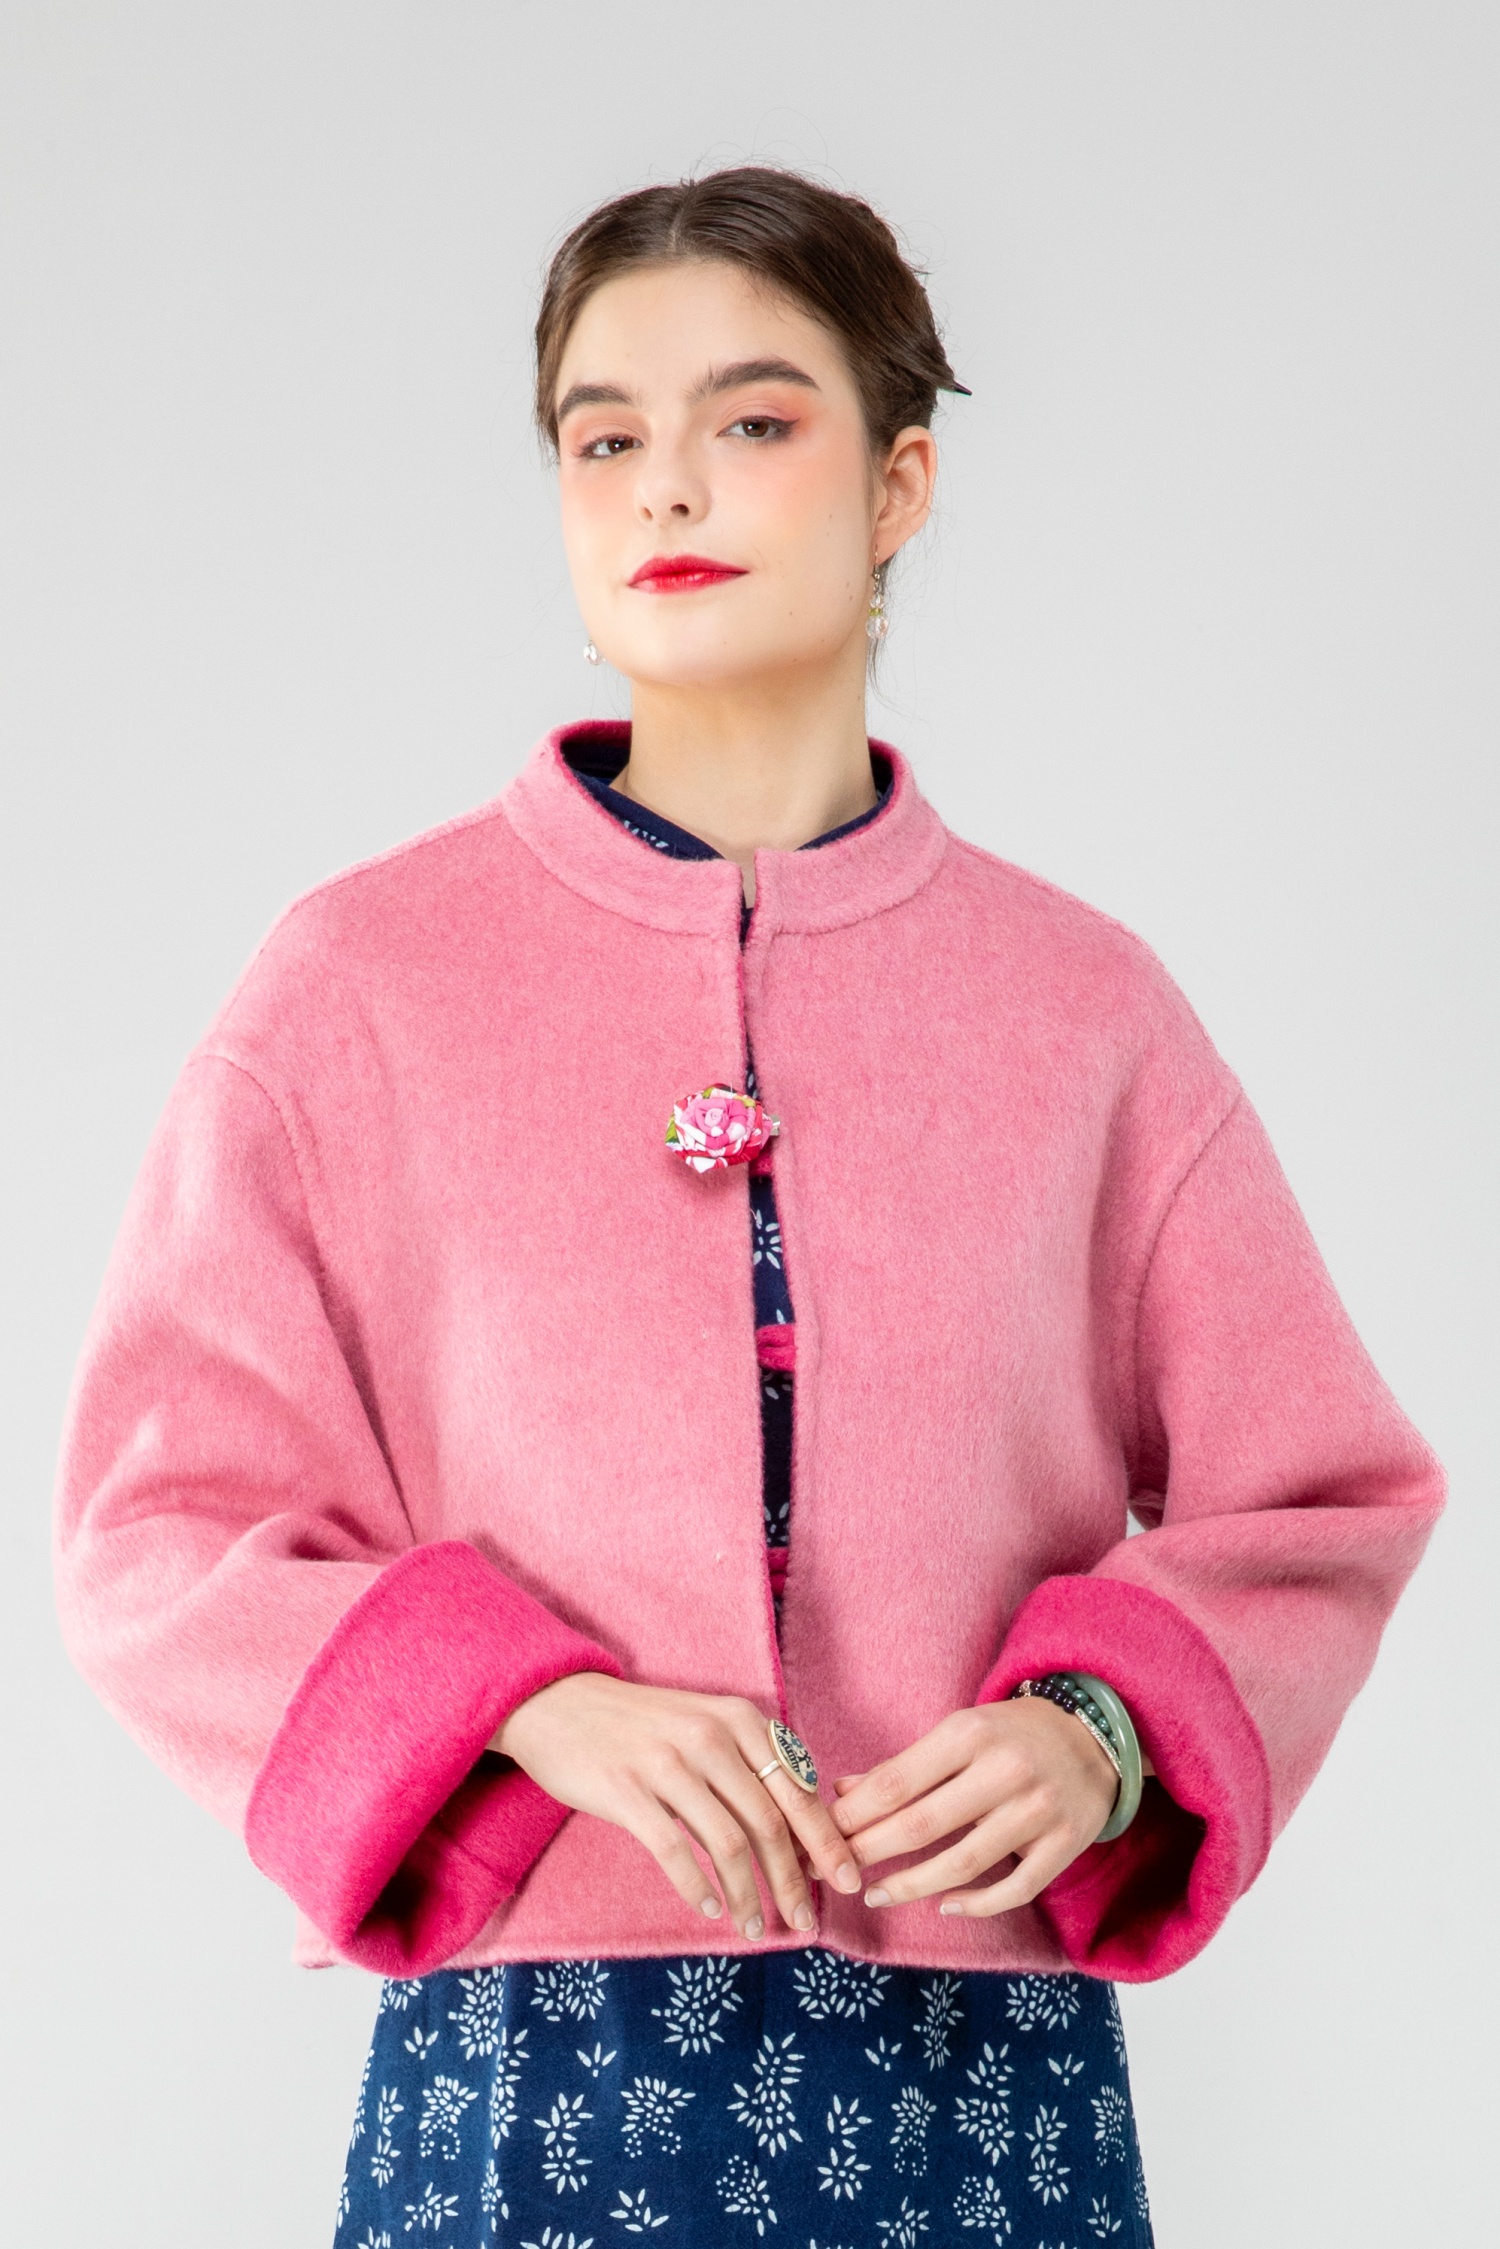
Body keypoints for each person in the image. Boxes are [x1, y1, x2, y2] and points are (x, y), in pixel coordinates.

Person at [55, 168, 1443, 2248]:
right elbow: (157, 1525)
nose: (667, 485)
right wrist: (529, 1699)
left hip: (983, 2091)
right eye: (603, 434)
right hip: (537, 2081)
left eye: (755, 420)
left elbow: (1323, 1493)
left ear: (900, 485)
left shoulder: (1083, 1009)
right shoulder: (360, 984)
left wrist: (1100, 1728)